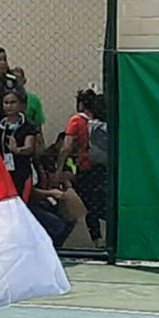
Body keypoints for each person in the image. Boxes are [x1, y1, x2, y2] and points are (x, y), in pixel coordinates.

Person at [55, 89, 107, 248]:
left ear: (80, 103)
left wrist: (59, 168)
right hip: (104, 168)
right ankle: (112, 236)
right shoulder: (100, 121)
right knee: (103, 202)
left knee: (87, 206)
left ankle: (97, 239)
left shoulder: (77, 120)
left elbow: (66, 147)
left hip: (86, 168)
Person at [0, 87, 41, 197]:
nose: (9, 106)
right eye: (6, 103)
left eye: (13, 102)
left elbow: (29, 148)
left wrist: (17, 150)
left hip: (22, 172)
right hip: (3, 172)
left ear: (22, 105)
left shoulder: (28, 126)